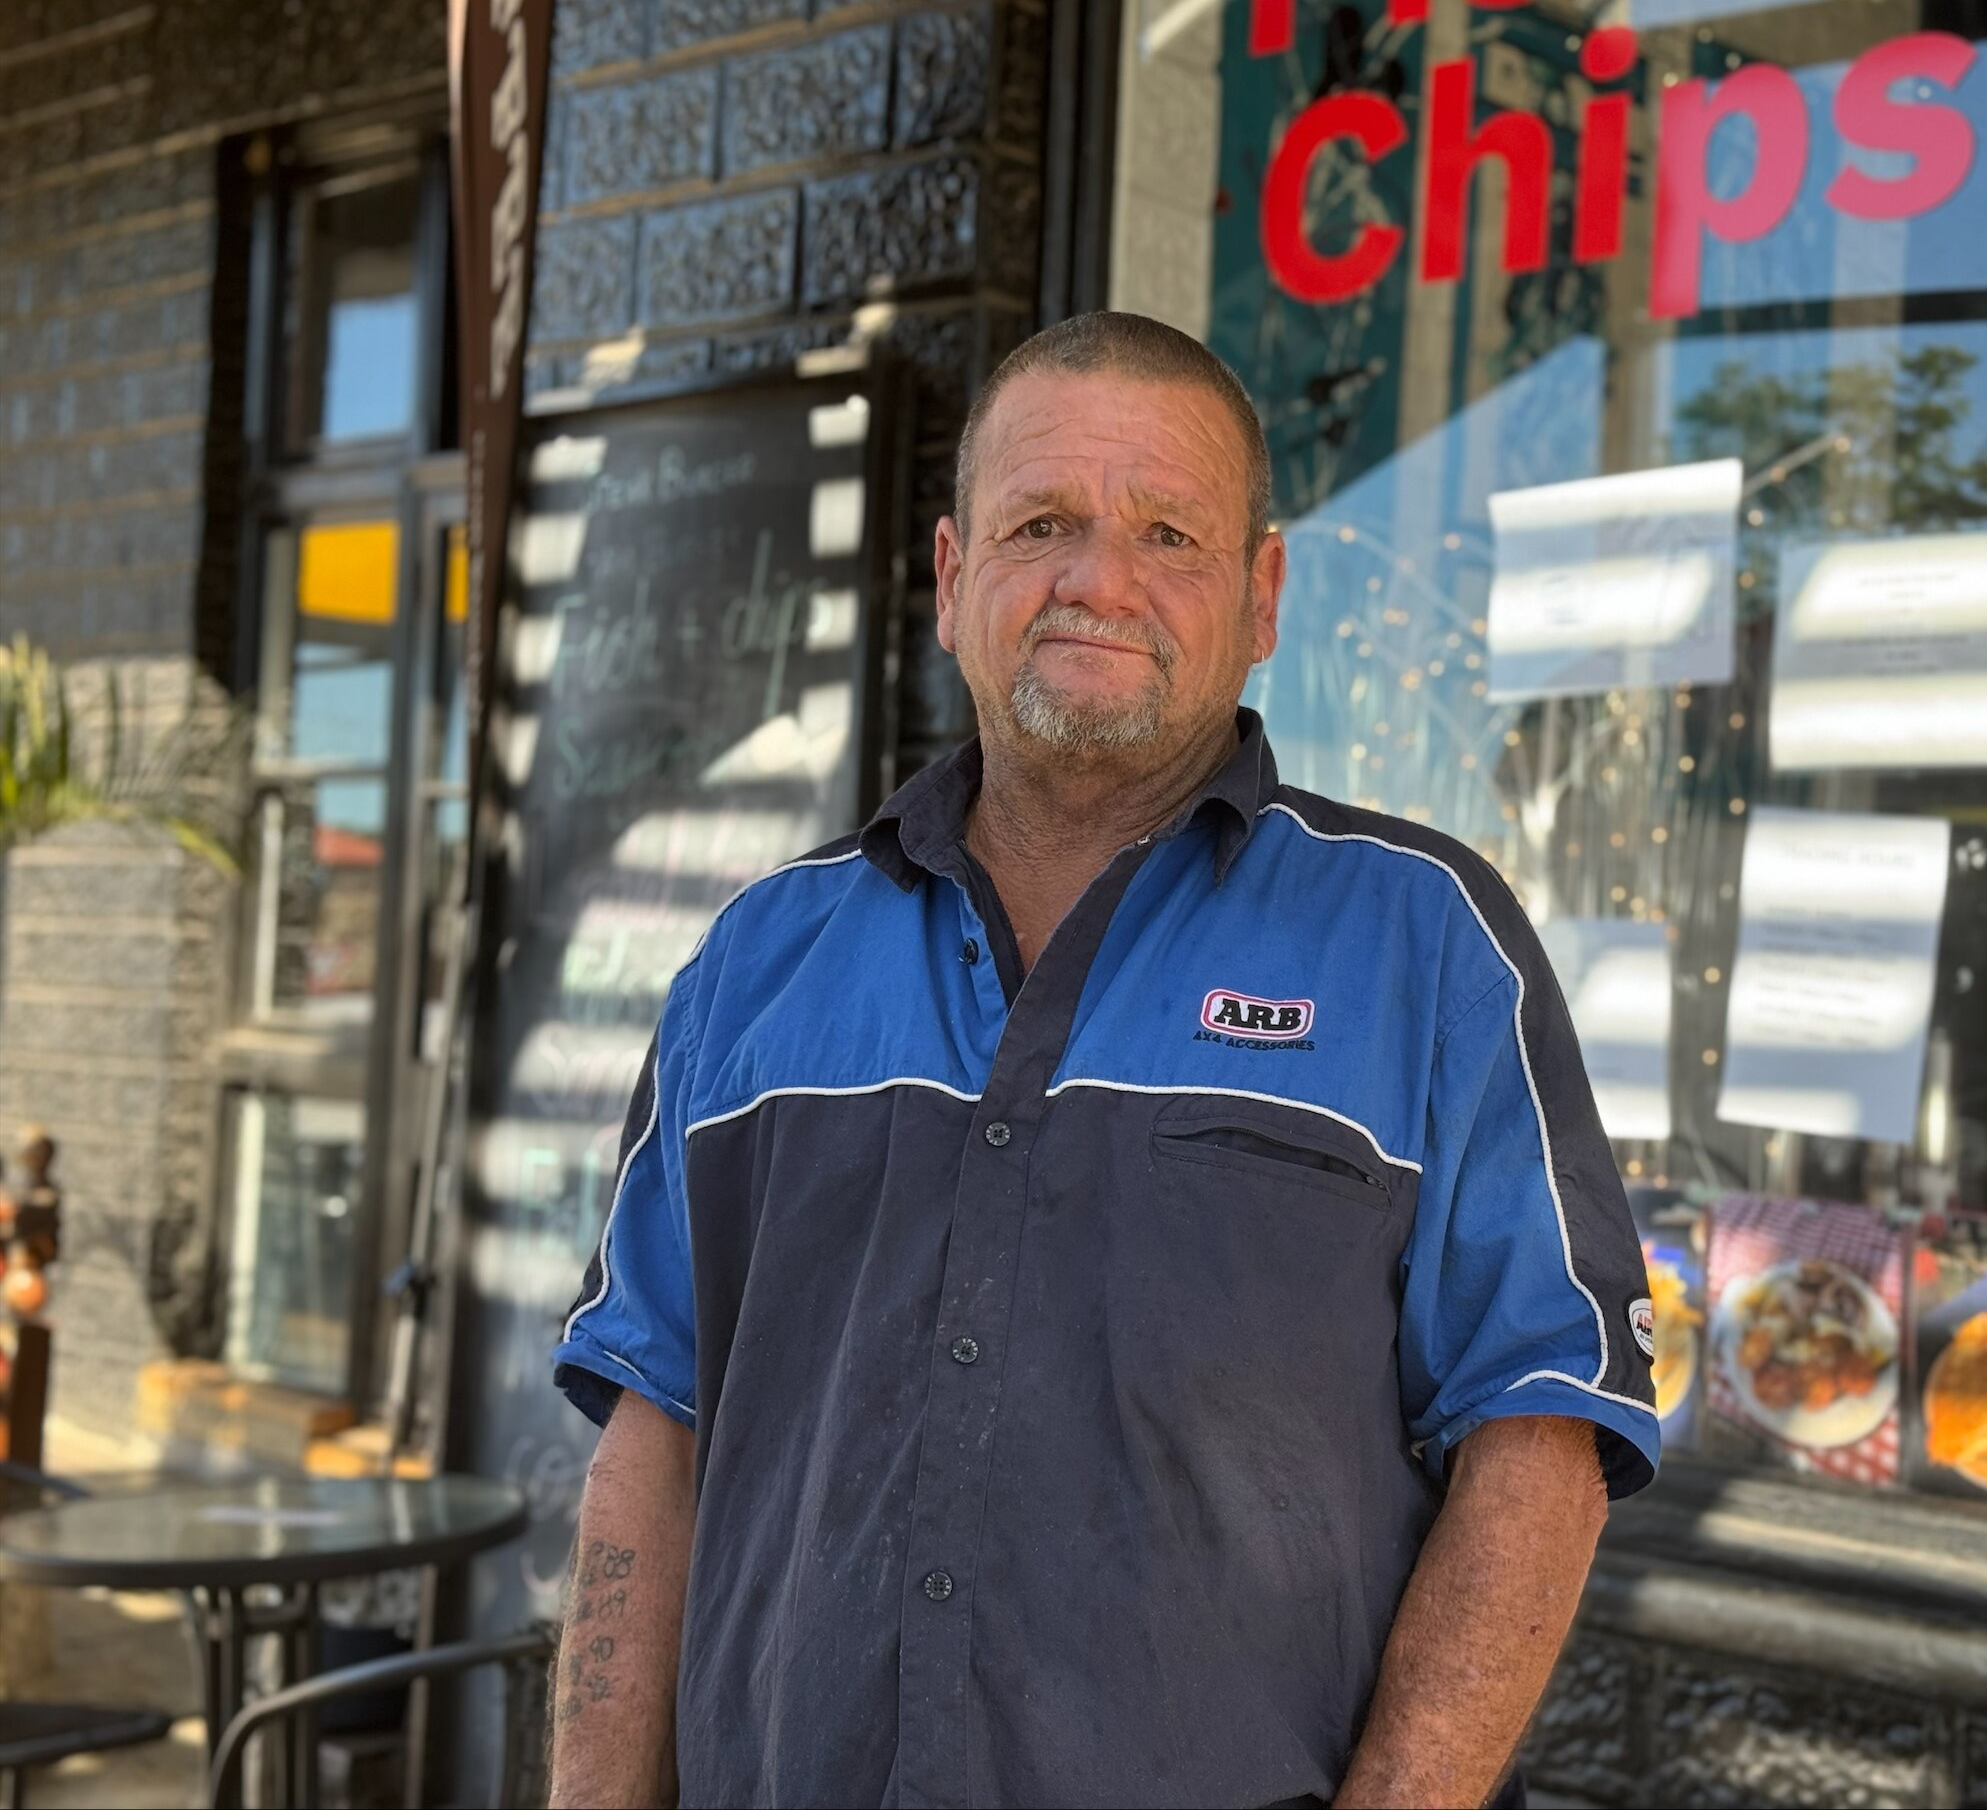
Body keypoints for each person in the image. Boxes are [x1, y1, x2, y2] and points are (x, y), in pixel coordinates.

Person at [547, 311, 1660, 1809]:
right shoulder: (759, 962)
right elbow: (651, 1437)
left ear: (1262, 595)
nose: (1098, 578)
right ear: (953, 581)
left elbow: (1543, 1439)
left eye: (1169, 533)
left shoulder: (1424, 945)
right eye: (1043, 522)